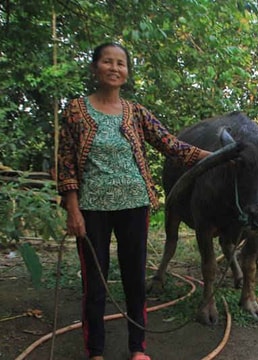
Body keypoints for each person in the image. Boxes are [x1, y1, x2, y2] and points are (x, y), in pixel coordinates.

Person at [56, 42, 211, 360]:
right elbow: (66, 163)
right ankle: (95, 351)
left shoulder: (136, 112)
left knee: (135, 279)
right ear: (95, 67)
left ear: (127, 72)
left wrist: (216, 156)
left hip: (134, 205)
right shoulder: (75, 110)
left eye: (121, 63)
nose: (114, 68)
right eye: (107, 62)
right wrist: (72, 209)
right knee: (95, 283)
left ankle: (137, 349)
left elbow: (171, 145)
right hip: (91, 208)